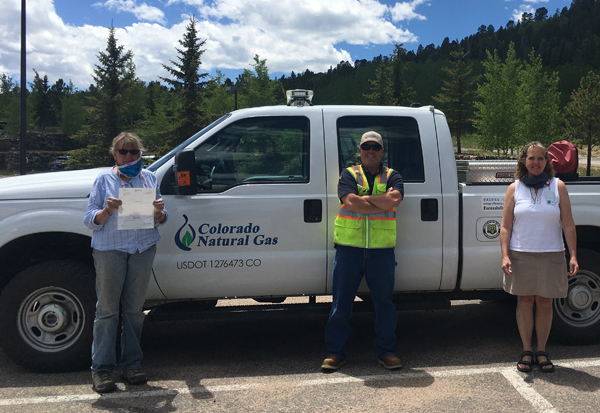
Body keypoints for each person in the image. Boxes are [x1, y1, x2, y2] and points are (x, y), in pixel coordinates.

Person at [84, 132, 167, 393]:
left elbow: (161, 218)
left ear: (140, 154)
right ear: (115, 154)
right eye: (123, 151)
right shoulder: (104, 180)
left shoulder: (149, 178)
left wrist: (159, 212)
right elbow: (89, 219)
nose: (129, 156)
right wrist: (107, 211)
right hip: (111, 249)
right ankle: (101, 369)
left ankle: (131, 364)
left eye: (134, 151)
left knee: (134, 311)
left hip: (143, 248)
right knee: (107, 310)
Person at [322, 131, 404, 371]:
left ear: (382, 152)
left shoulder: (393, 175)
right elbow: (350, 202)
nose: (371, 151)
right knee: (341, 304)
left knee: (384, 304)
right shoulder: (349, 174)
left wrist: (364, 200)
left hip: (381, 251)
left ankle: (387, 352)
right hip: (349, 250)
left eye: (375, 147)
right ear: (359, 151)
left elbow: (394, 200)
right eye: (366, 147)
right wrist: (379, 200)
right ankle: (335, 352)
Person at [500, 141, 578, 374]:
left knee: (545, 302)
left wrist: (573, 255)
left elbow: (568, 224)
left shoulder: (558, 186)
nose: (536, 163)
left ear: (547, 162)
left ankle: (541, 351)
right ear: (524, 161)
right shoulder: (514, 188)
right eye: (531, 158)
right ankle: (526, 350)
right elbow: (505, 226)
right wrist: (505, 255)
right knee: (524, 301)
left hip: (551, 253)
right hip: (520, 253)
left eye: (540, 158)